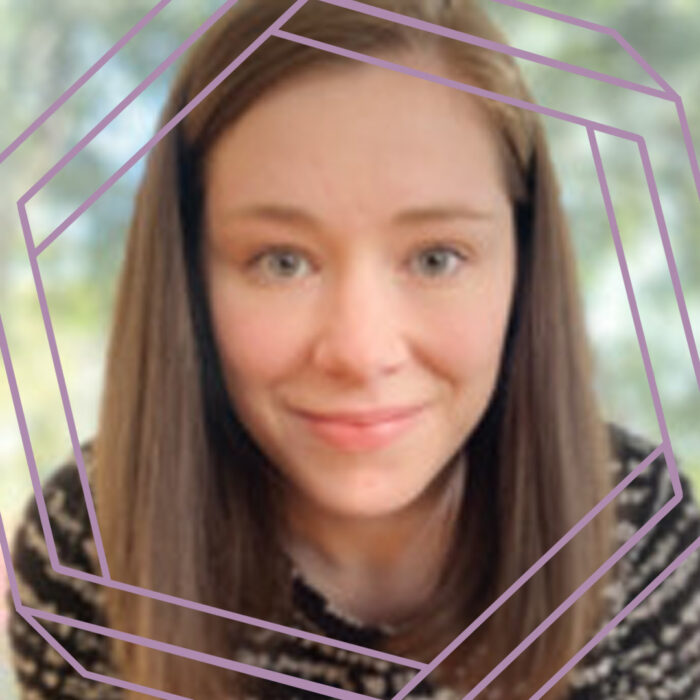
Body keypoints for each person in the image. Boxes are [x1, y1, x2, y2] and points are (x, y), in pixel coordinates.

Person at [6, 0, 700, 698]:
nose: (361, 352)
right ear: (185, 277)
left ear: (524, 264)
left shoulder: (648, 544)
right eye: (281, 261)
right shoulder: (81, 551)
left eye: (435, 259)